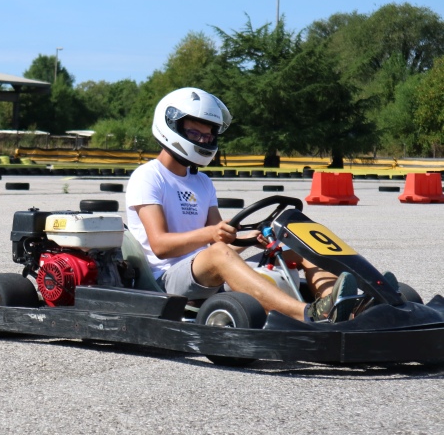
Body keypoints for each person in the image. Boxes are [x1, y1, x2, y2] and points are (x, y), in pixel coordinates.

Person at [126, 87, 357, 322]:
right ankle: (306, 314)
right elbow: (160, 245)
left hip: (205, 269)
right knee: (218, 254)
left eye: (208, 136)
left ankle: (339, 309)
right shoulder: (149, 176)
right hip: (165, 279)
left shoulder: (202, 182)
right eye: (195, 133)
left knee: (299, 250)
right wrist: (211, 234)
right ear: (171, 126)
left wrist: (251, 238)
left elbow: (220, 240)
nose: (203, 140)